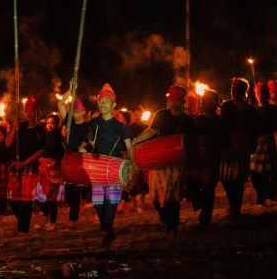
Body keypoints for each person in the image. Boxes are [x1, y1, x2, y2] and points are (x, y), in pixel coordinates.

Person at [133, 85, 196, 234]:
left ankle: (172, 226)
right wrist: (135, 141)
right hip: (160, 160)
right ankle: (168, 221)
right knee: (155, 195)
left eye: (177, 100)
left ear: (183, 101)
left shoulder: (188, 121)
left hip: (177, 162)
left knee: (173, 196)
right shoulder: (161, 115)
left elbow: (192, 143)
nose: (174, 103)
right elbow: (151, 132)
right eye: (172, 100)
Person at [84, 84, 134, 247]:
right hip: (98, 167)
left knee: (111, 200)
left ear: (113, 105)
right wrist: (81, 148)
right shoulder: (94, 123)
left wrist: (130, 166)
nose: (103, 104)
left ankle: (106, 230)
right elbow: (89, 143)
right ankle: (108, 230)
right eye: (101, 101)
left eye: (106, 101)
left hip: (114, 167)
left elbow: (129, 147)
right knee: (98, 201)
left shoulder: (121, 127)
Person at [219, 78, 258, 216]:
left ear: (242, 91)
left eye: (236, 89)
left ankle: (235, 208)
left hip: (241, 148)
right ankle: (232, 203)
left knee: (238, 179)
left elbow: (254, 130)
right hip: (227, 147)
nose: (233, 91)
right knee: (225, 178)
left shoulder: (250, 110)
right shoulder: (226, 106)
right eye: (232, 88)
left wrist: (251, 146)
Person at [187, 90, 226, 225]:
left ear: (214, 102)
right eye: (203, 99)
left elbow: (224, 141)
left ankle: (206, 216)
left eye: (207, 99)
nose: (203, 101)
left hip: (213, 158)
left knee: (209, 186)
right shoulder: (199, 119)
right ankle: (201, 204)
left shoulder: (220, 121)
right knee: (192, 185)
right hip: (198, 158)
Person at [7, 96, 44, 234]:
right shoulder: (19, 126)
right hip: (15, 167)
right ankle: (22, 223)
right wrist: (13, 128)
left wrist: (25, 162)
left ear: (36, 112)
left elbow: (40, 150)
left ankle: (23, 229)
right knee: (14, 201)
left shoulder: (40, 130)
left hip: (29, 167)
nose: (28, 114)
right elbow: (7, 143)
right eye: (26, 111)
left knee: (26, 201)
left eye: (31, 111)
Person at [251, 82, 277, 206]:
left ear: (266, 94)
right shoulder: (254, 110)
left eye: (262, 93)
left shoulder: (273, 109)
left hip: (270, 141)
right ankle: (262, 196)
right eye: (257, 94)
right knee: (255, 174)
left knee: (272, 171)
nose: (259, 96)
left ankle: (270, 197)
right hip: (258, 143)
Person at [59, 95, 89, 227]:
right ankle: (75, 210)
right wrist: (69, 91)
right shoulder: (69, 121)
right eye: (74, 112)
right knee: (68, 193)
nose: (75, 114)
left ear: (82, 112)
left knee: (76, 190)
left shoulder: (87, 126)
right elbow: (60, 104)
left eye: (77, 112)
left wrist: (83, 146)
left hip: (80, 158)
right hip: (69, 158)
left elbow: (88, 142)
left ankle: (73, 219)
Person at [37, 113, 67, 230]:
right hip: (43, 168)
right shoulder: (43, 137)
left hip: (54, 169)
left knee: (51, 197)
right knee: (39, 195)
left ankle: (52, 222)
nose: (49, 125)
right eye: (48, 123)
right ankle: (46, 216)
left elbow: (62, 155)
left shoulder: (59, 138)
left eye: (52, 123)